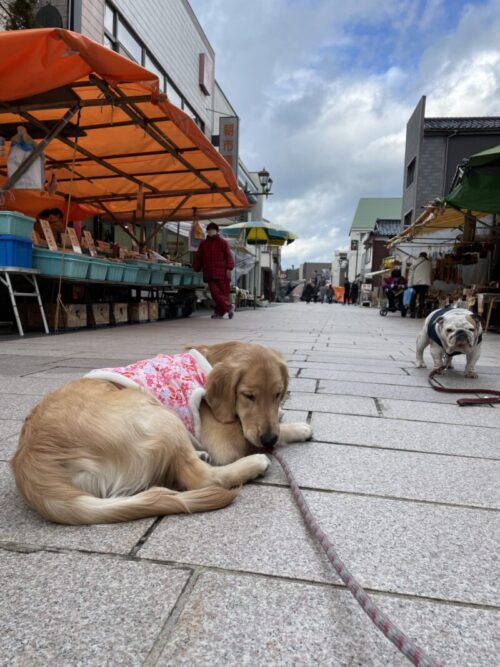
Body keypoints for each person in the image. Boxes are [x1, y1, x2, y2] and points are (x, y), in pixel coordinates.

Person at [192, 221, 235, 319]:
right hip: (210, 273)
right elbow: (199, 257)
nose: (211, 232)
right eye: (209, 230)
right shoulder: (203, 244)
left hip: (223, 273)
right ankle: (229, 307)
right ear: (207, 232)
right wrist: (195, 268)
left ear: (217, 231)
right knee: (215, 293)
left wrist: (229, 268)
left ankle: (219, 313)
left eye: (213, 230)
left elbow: (229, 256)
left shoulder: (223, 243)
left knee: (223, 294)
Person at [409, 252, 432, 318]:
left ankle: (412, 312)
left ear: (419, 256)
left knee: (413, 298)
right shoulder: (429, 263)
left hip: (416, 284)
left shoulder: (414, 262)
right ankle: (420, 313)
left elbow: (411, 274)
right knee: (422, 299)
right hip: (425, 283)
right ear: (425, 256)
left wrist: (409, 284)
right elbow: (431, 274)